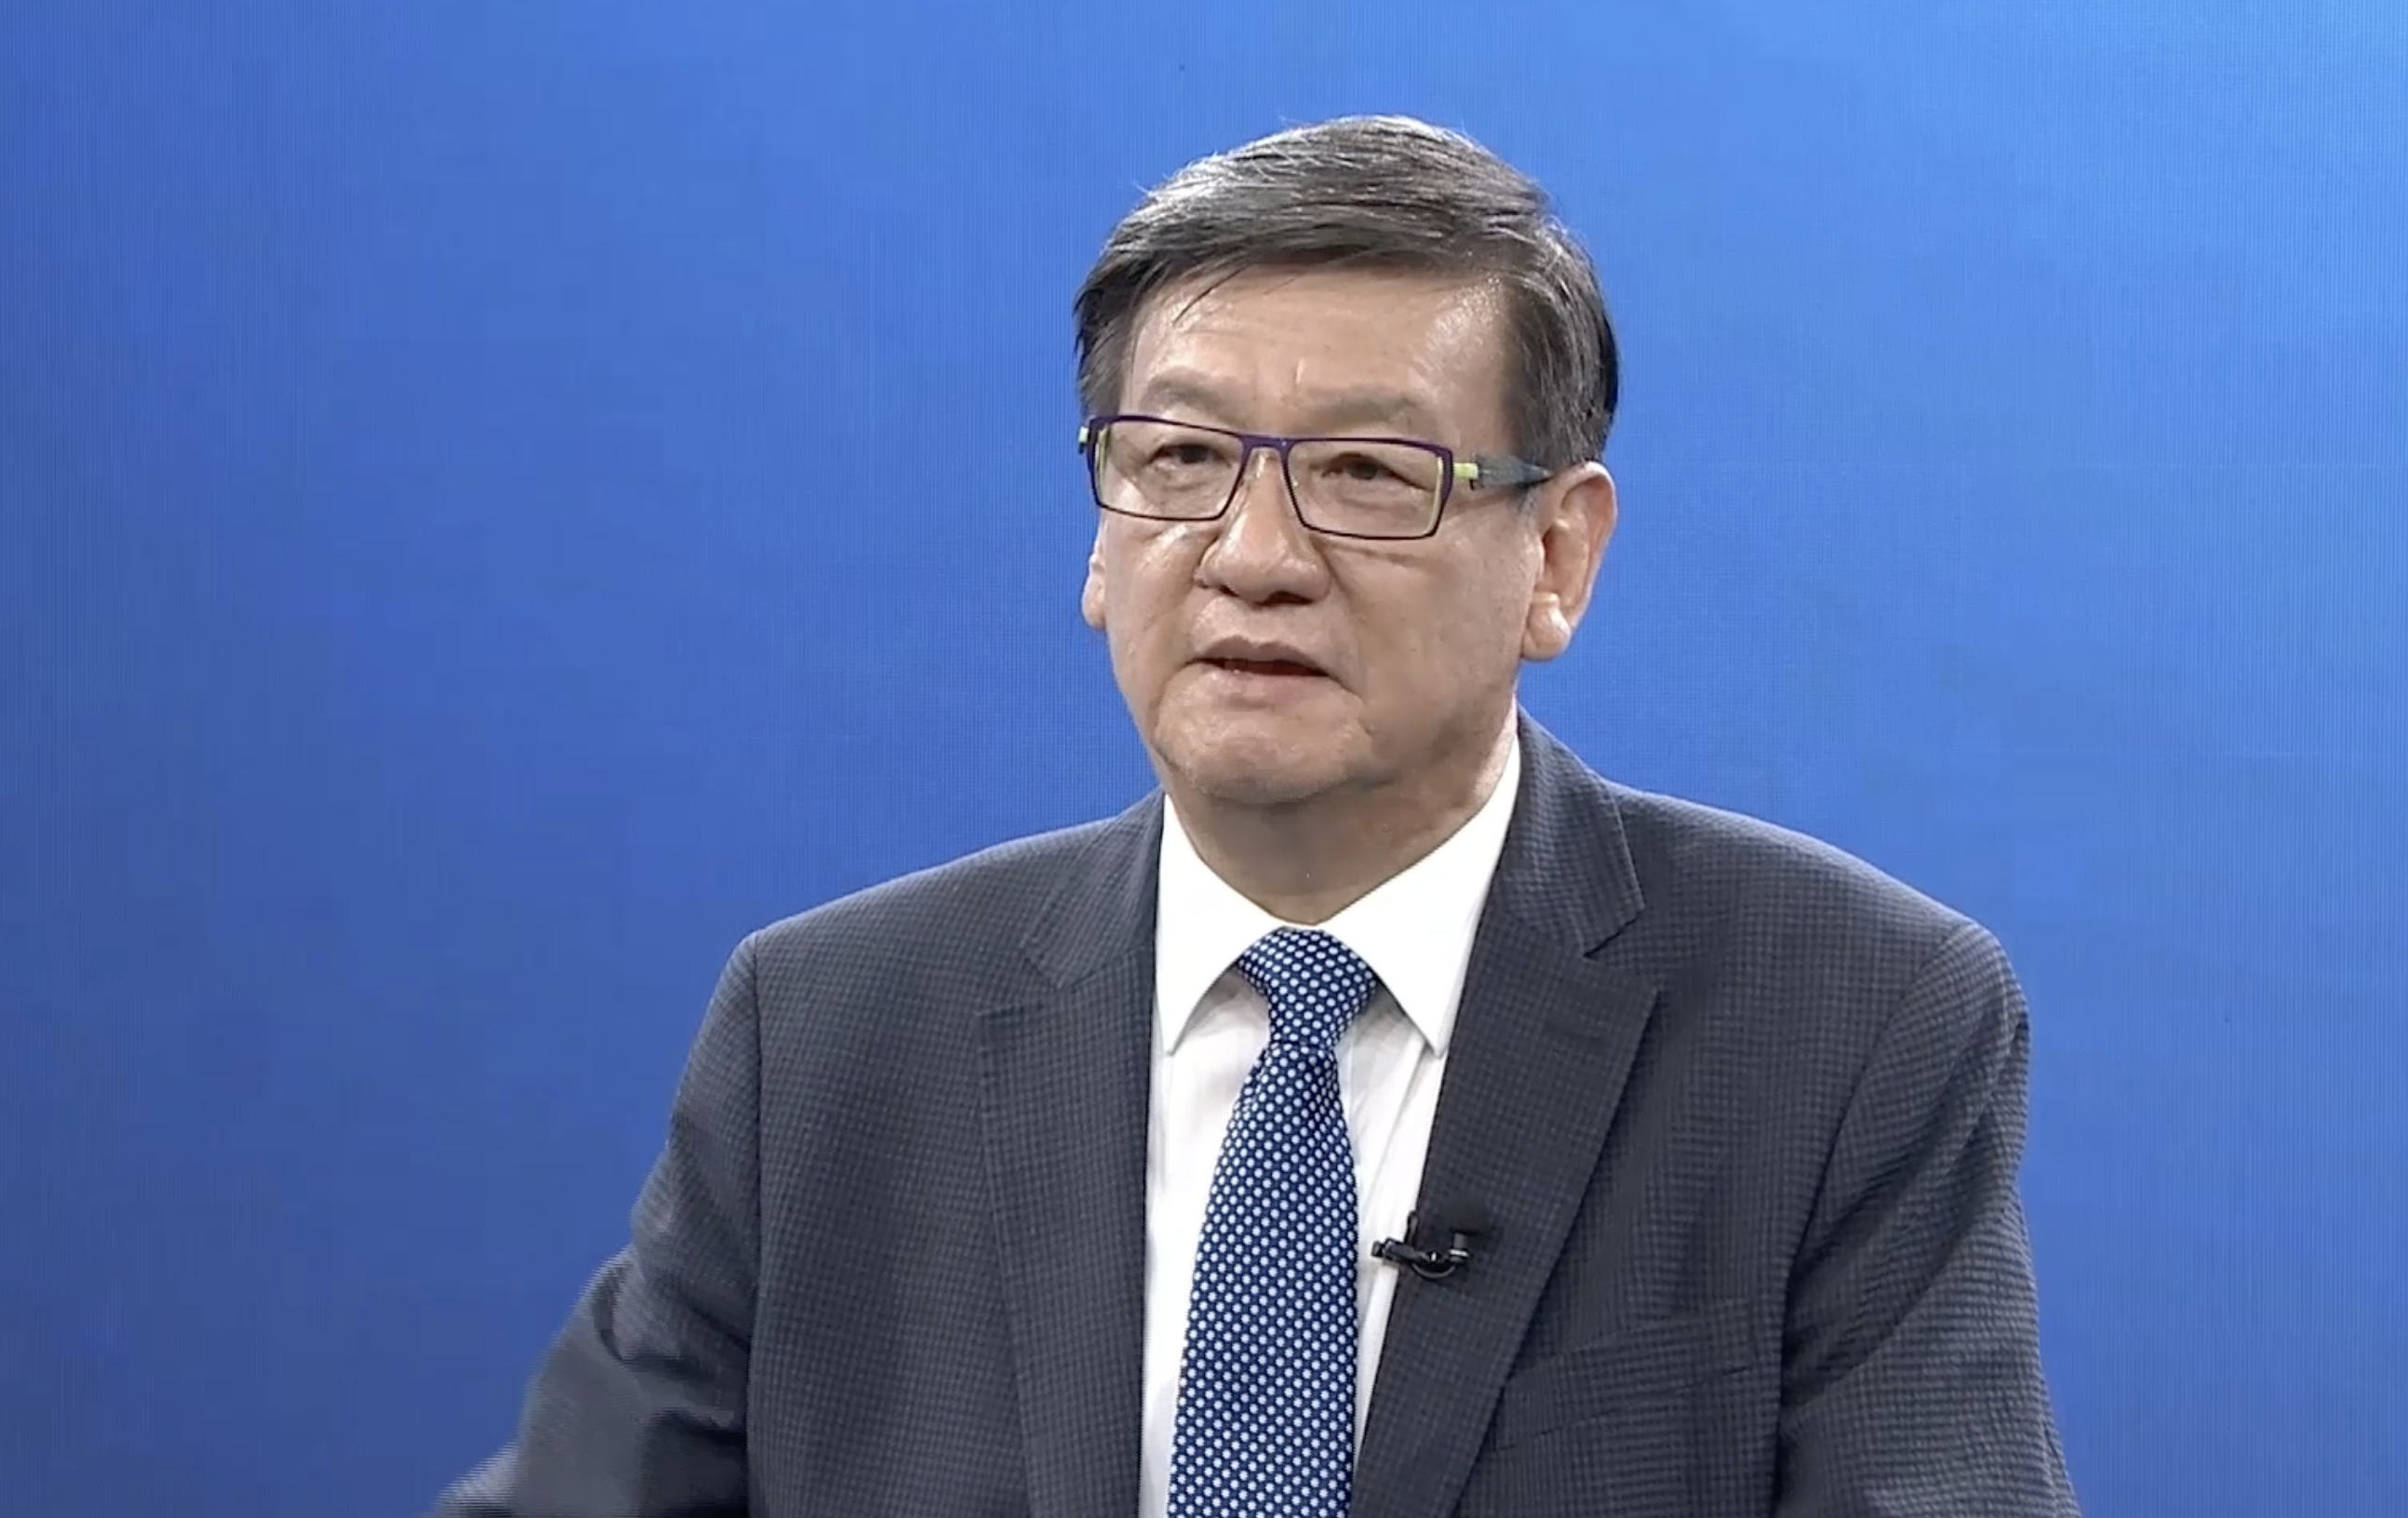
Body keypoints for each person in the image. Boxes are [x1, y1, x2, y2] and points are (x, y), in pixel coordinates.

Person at [428, 113, 2081, 1516]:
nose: (1254, 554)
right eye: (1179, 460)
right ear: (1101, 533)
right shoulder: (831, 1033)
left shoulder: (1843, 1020)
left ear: (1559, 556)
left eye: (1368, 475)